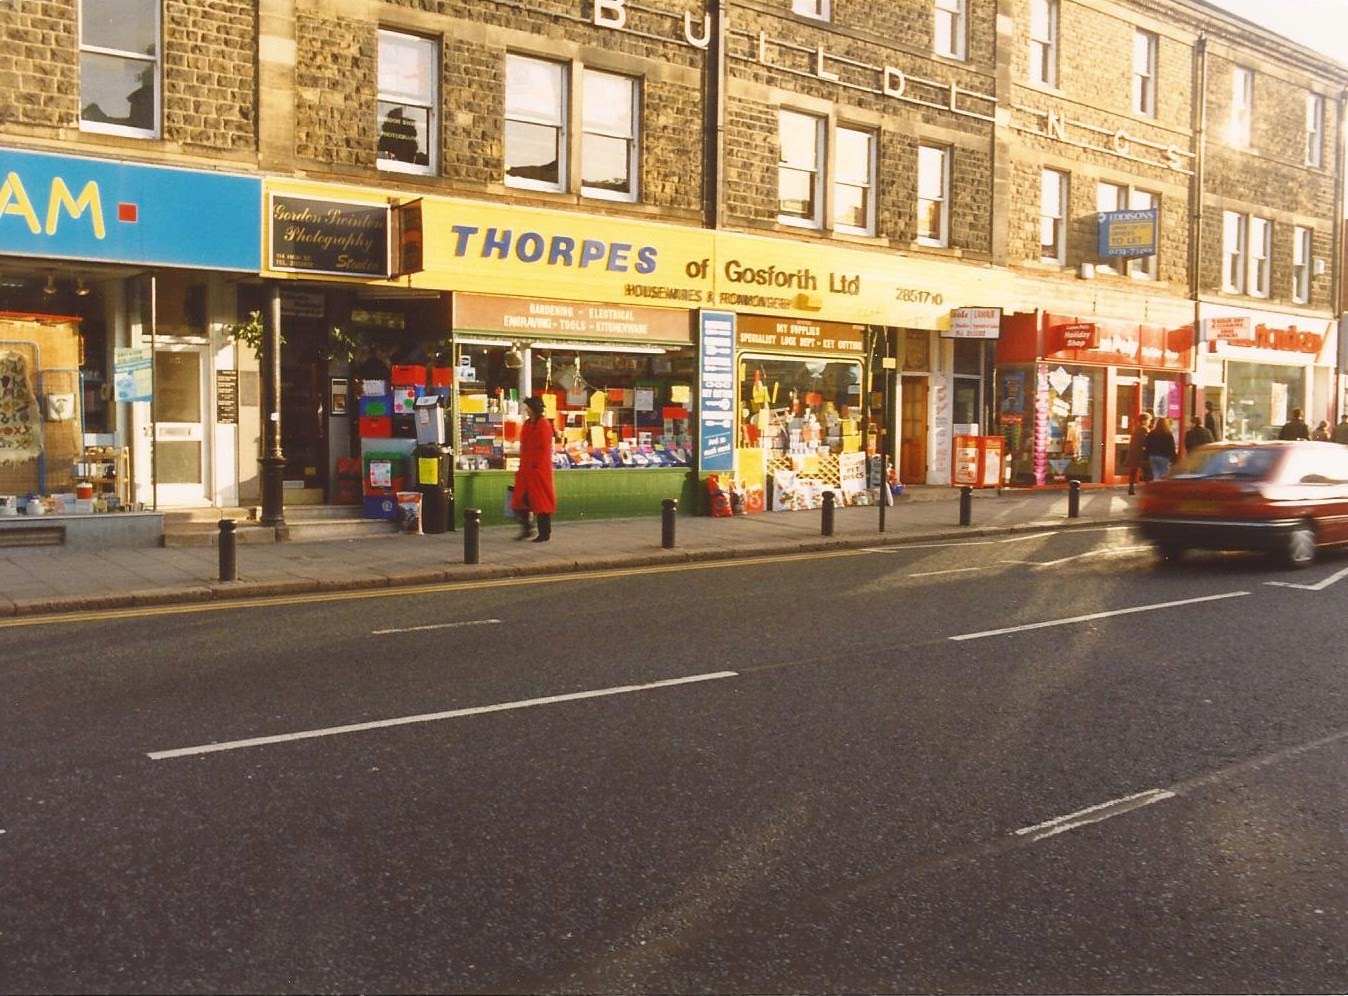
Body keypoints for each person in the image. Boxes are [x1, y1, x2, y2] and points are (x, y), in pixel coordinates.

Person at [511, 395, 557, 542]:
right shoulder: (528, 424)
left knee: (541, 503)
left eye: (528, 408)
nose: (527, 411)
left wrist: (535, 466)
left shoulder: (543, 425)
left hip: (538, 470)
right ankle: (527, 528)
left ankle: (544, 533)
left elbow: (543, 448)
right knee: (521, 500)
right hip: (526, 469)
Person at [1124, 411, 1153, 495]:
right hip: (1141, 454)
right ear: (1143, 421)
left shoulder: (1136, 429)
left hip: (1134, 453)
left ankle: (1131, 488)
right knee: (1148, 471)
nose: (1149, 422)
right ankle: (1148, 489)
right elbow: (1145, 442)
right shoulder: (1144, 429)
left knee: (1133, 472)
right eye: (1148, 420)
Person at [1145, 415, 1177, 481]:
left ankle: (1155, 485)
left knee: (1156, 474)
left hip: (1153, 456)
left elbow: (1147, 445)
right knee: (1163, 475)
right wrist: (1174, 457)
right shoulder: (1168, 434)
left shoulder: (1152, 433)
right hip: (1164, 457)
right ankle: (1160, 488)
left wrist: (1146, 455)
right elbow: (1171, 446)